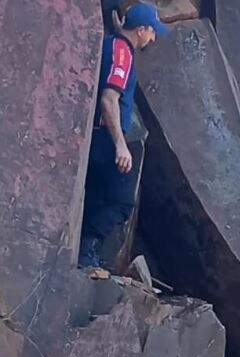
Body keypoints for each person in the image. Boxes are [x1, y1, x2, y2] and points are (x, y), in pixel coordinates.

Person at [78, 3, 168, 267]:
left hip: (95, 135)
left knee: (95, 195)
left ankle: (83, 256)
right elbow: (109, 99)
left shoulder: (111, 43)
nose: (153, 38)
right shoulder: (122, 53)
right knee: (121, 201)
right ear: (140, 30)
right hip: (106, 137)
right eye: (152, 32)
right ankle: (88, 250)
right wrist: (120, 145)